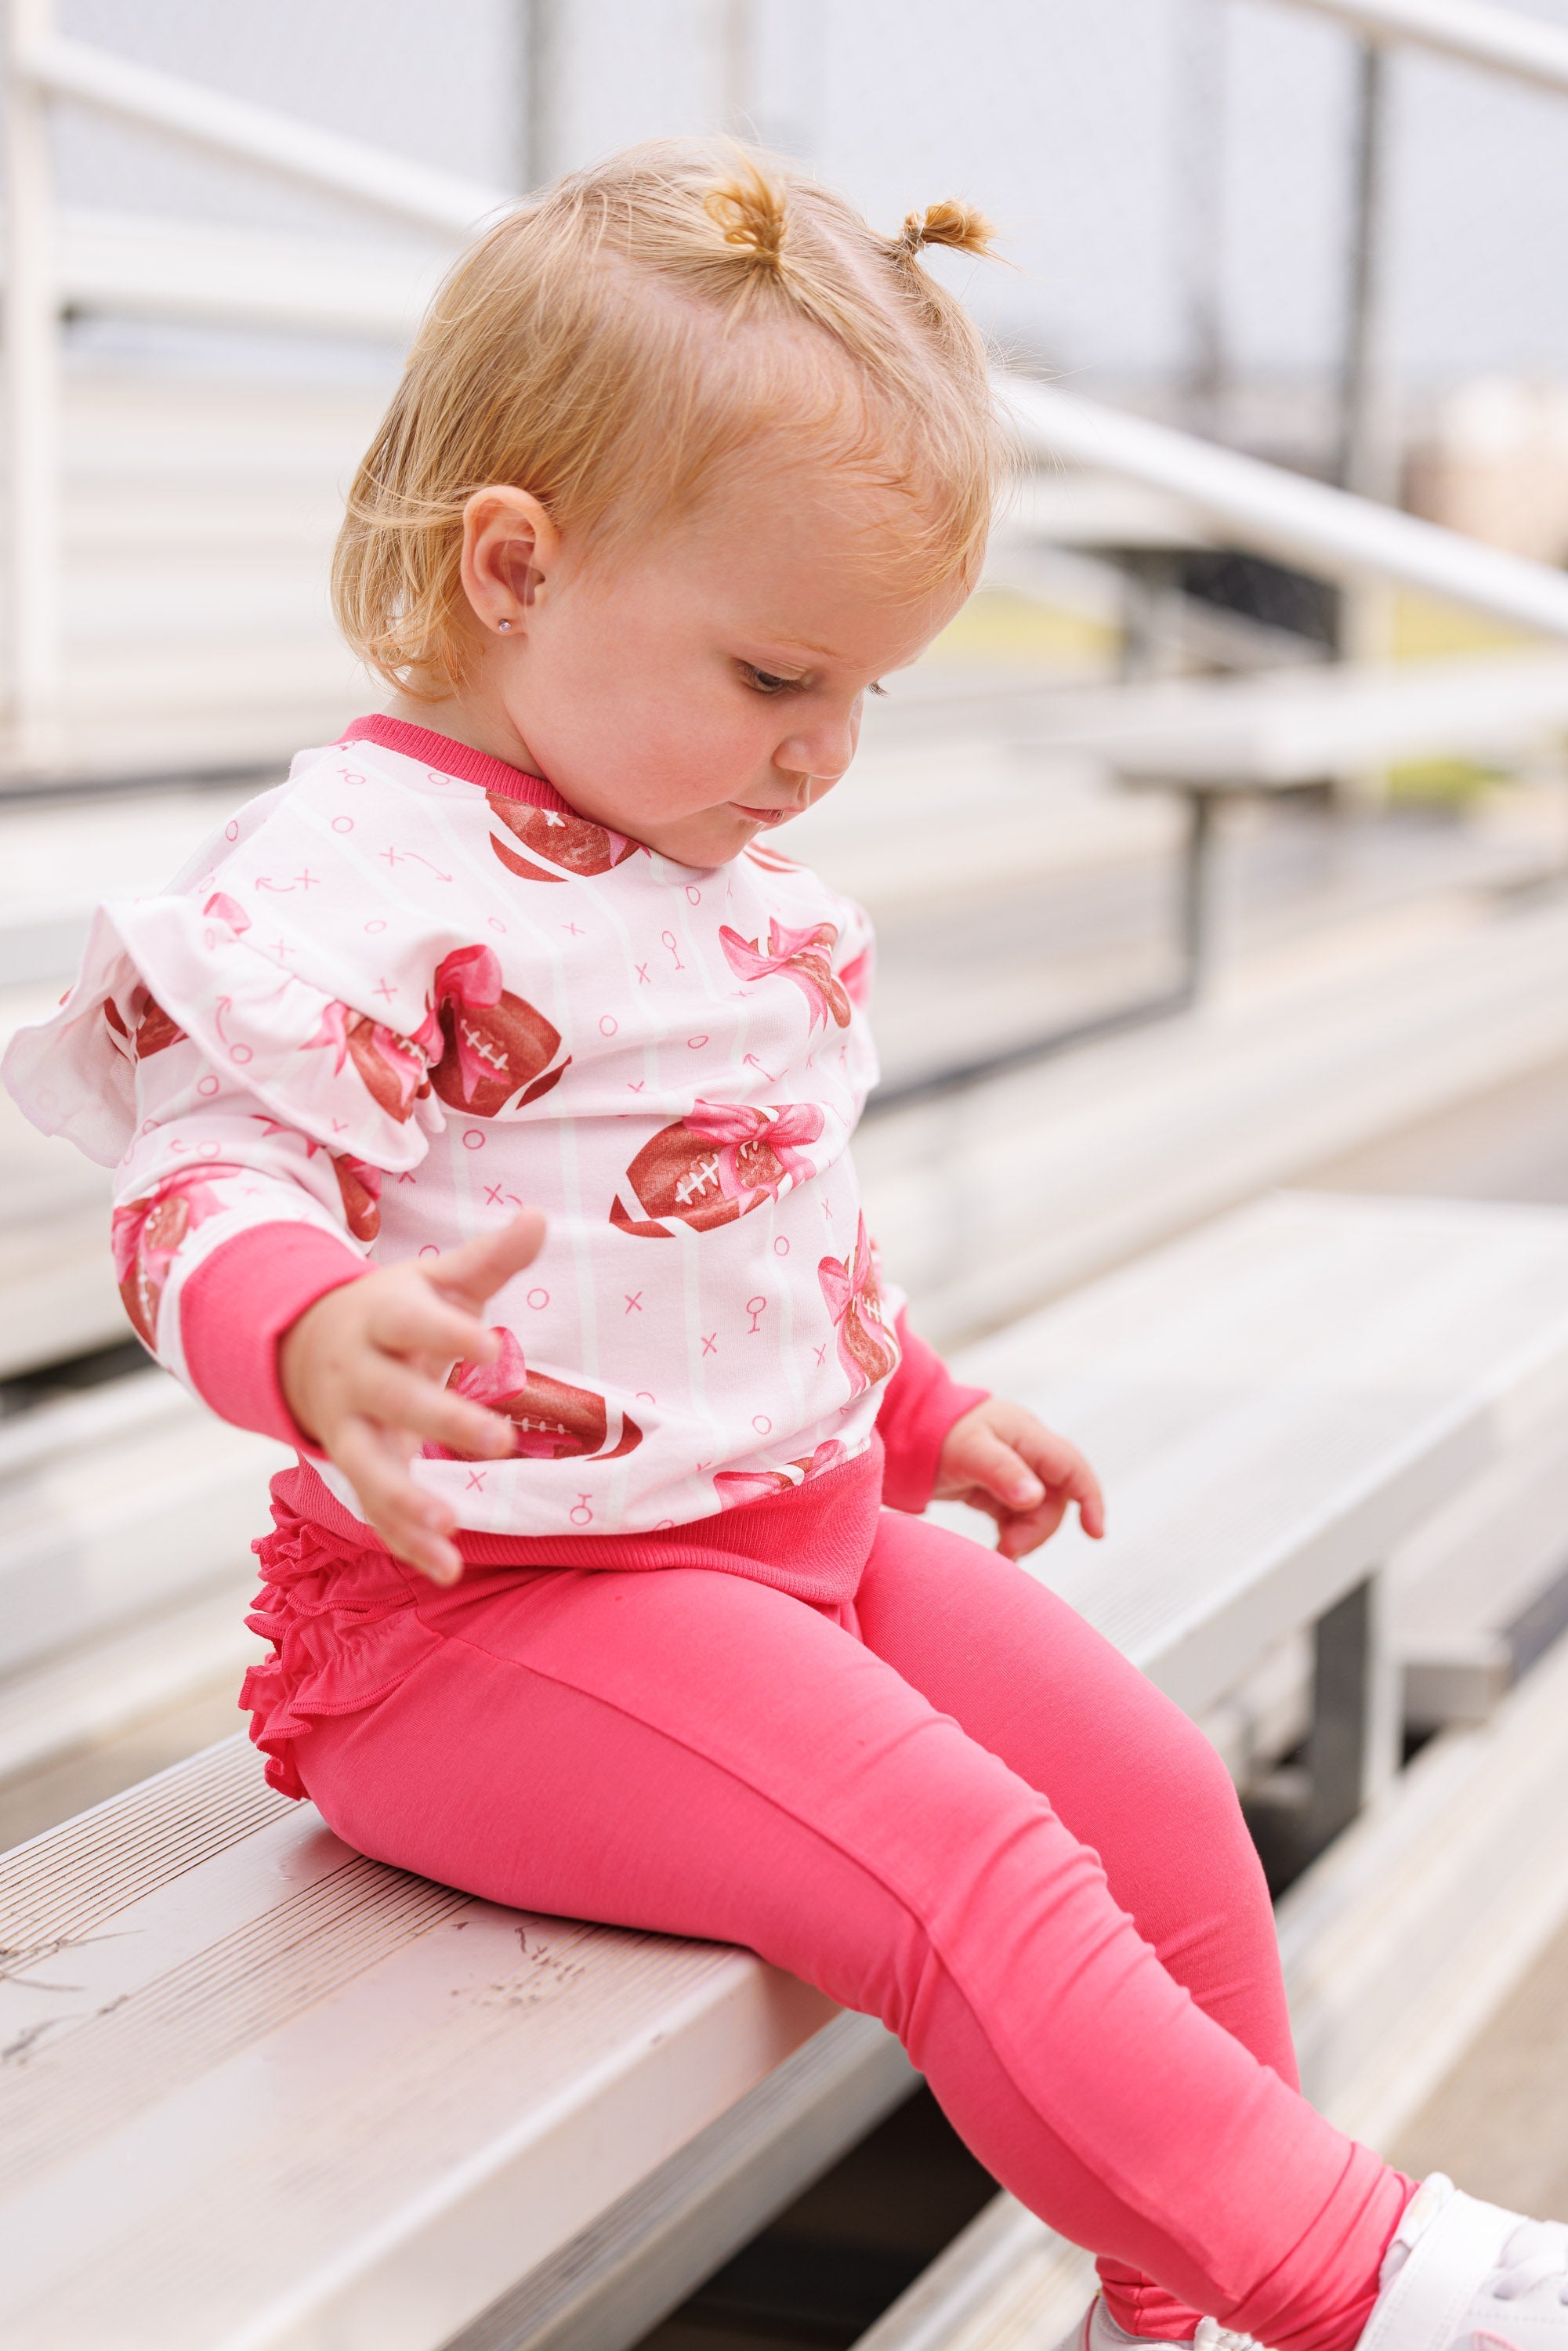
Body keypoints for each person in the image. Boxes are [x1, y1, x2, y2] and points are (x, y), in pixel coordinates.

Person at [5, 139, 1563, 2351]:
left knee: (1152, 1809)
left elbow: (745, 1214)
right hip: (481, 1631)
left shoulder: (683, 834)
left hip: (788, 1545)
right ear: (516, 565)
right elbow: (195, 1190)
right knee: (969, 1864)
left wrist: (917, 1403)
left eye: (865, 697)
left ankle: (1185, 2300)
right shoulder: (357, 871)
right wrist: (317, 1320)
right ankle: (1349, 2276)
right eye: (770, 676)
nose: (820, 752)